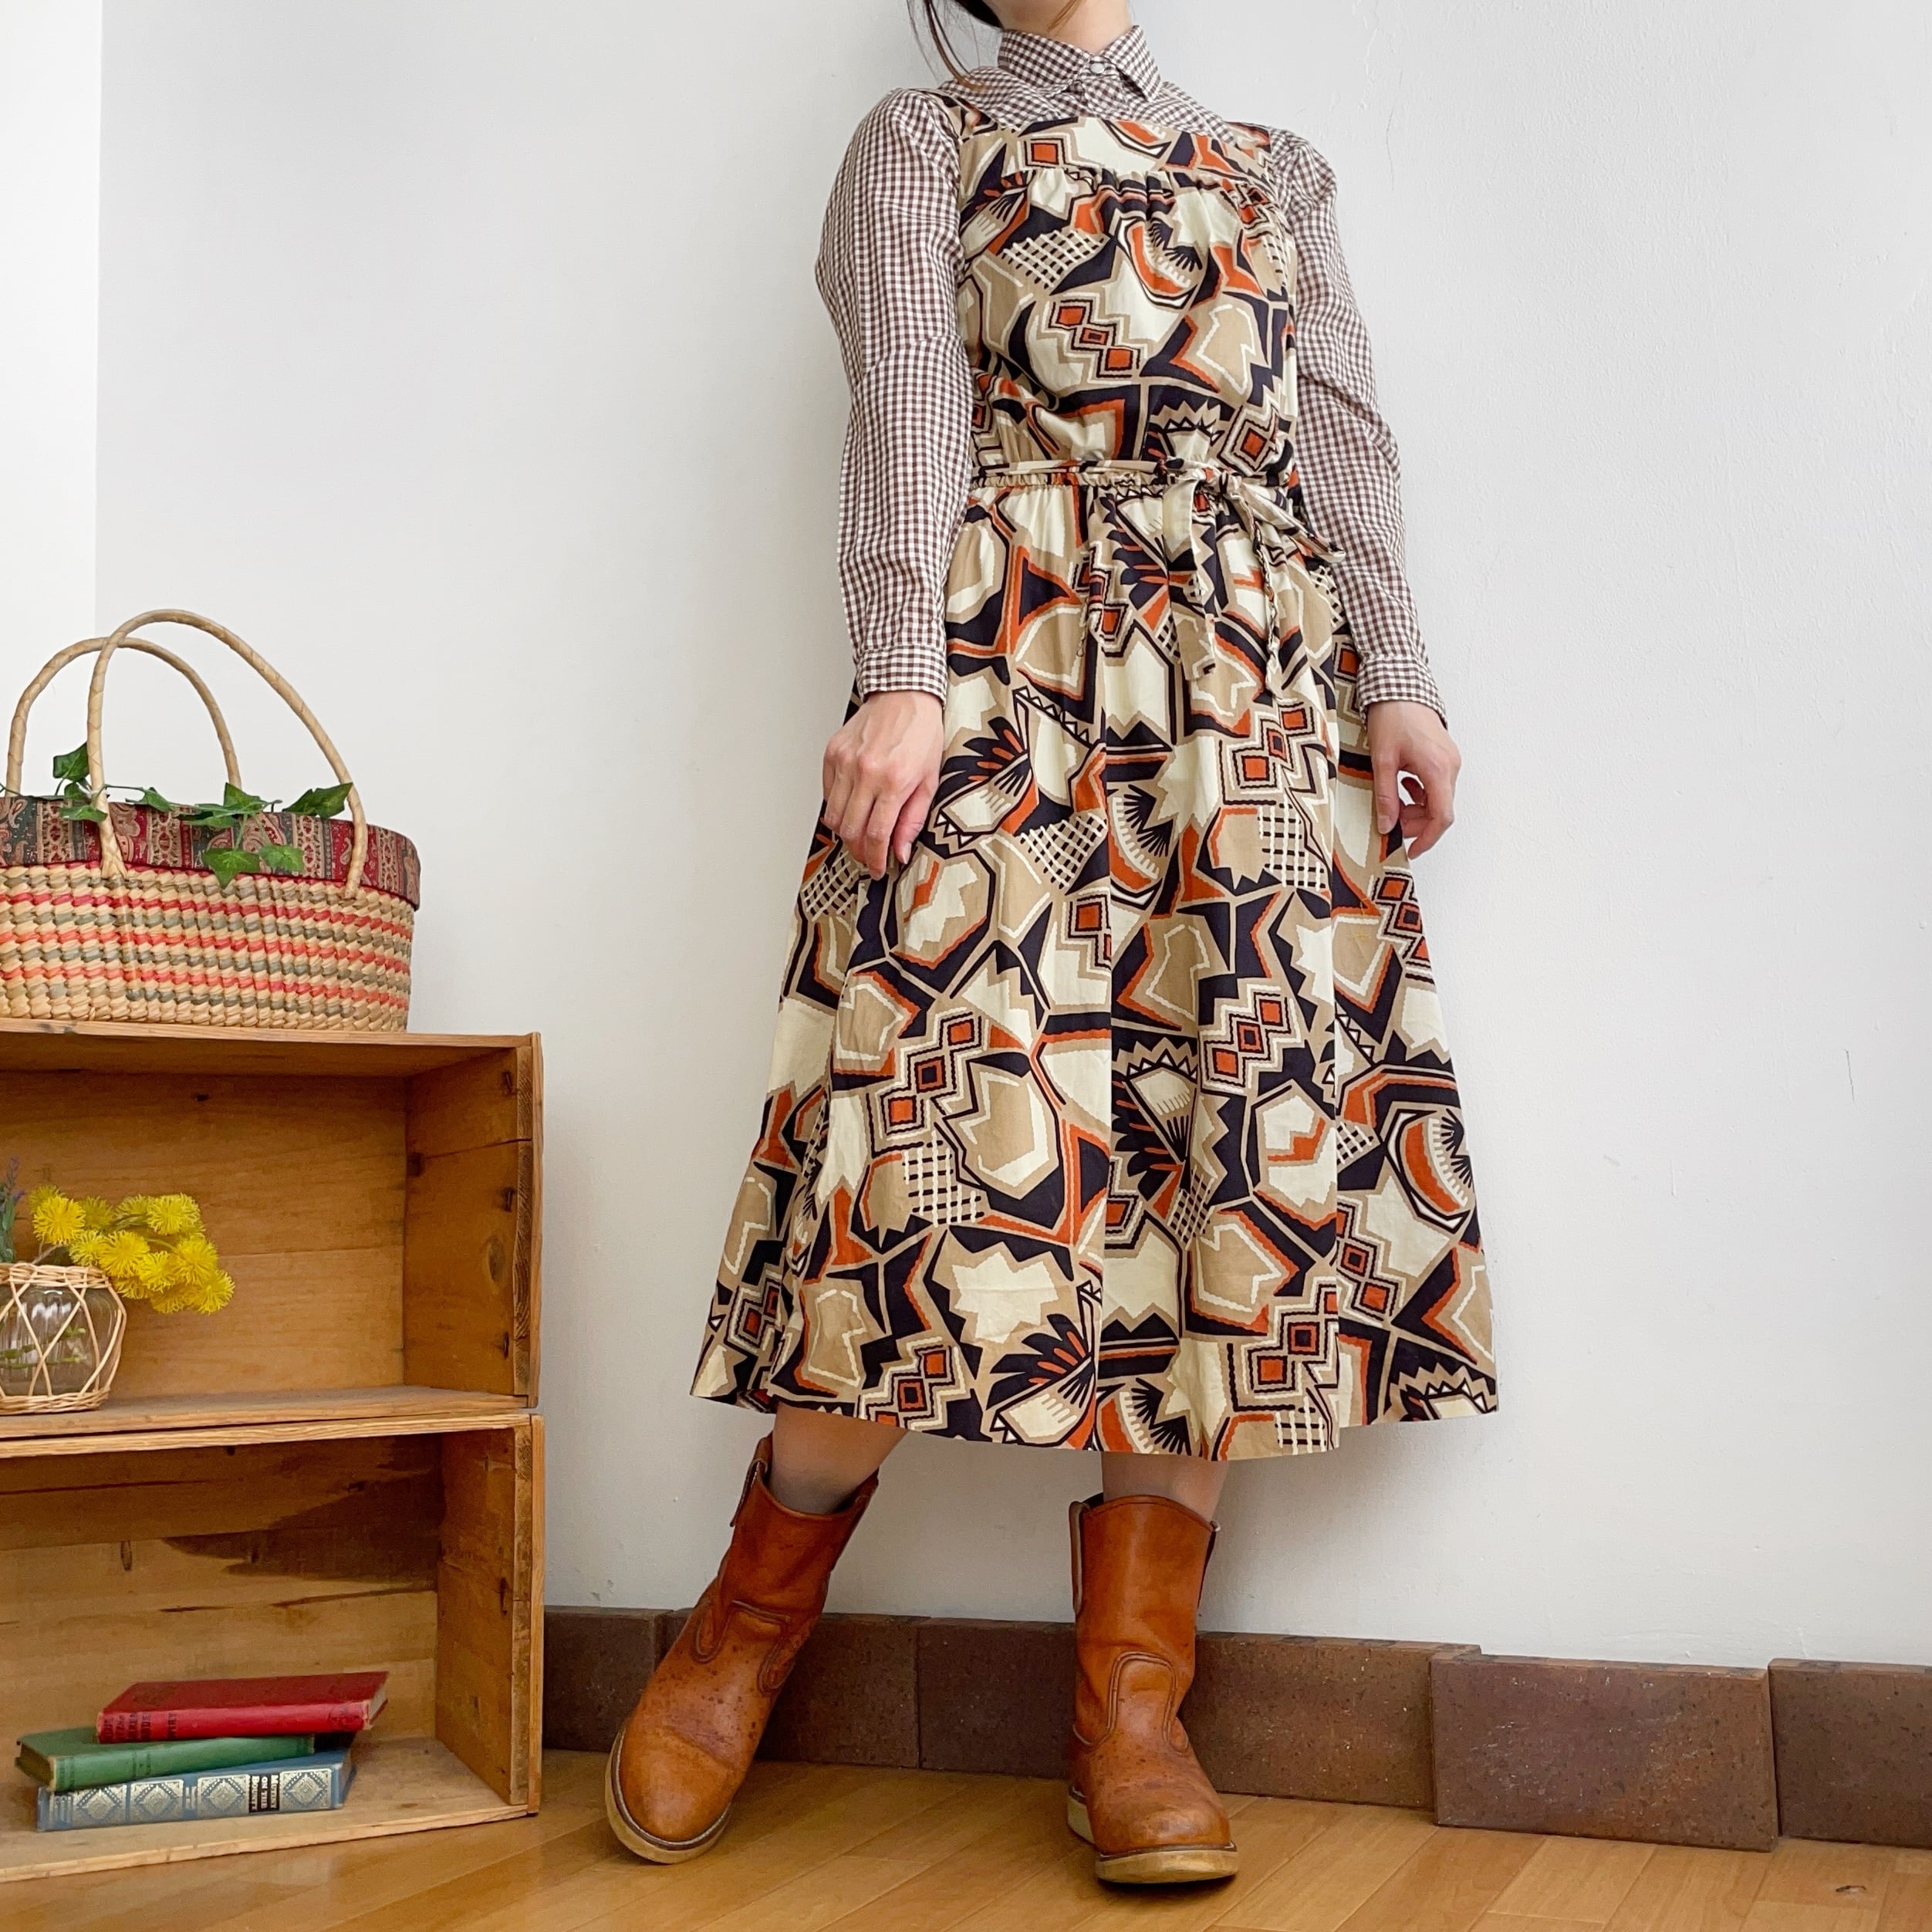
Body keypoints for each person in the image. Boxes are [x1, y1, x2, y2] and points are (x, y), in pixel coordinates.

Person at [608, 0, 1497, 1886]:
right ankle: (740, 1629)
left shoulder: (1271, 170)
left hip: (1249, 707)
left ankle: (1132, 1712)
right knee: (921, 1148)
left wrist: (1400, 681)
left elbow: (1339, 439)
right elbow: (904, 417)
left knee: (1222, 1170)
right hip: (1007, 668)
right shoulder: (924, 141)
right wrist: (894, 679)